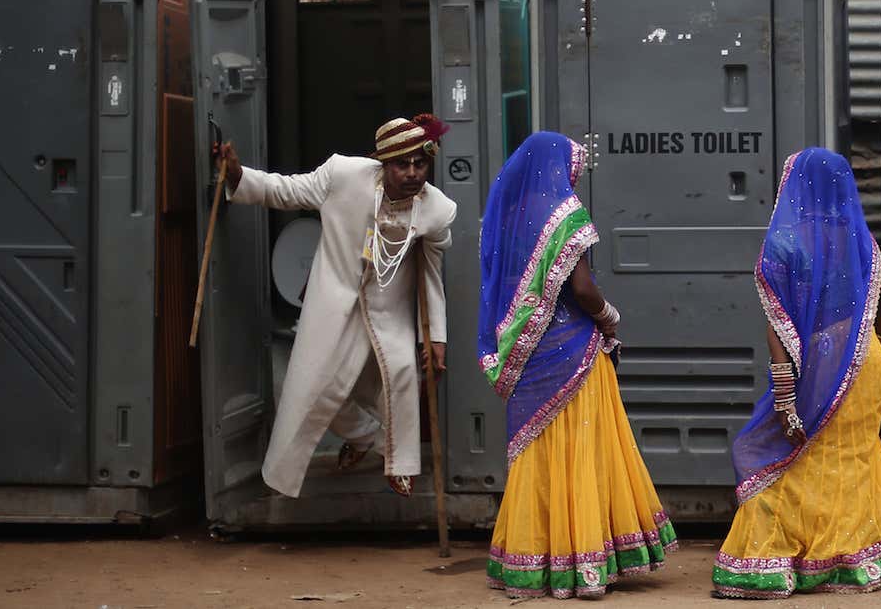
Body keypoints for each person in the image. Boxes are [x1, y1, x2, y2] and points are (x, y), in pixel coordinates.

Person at [478, 132, 676, 599]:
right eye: (573, 167)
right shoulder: (567, 216)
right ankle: (585, 559)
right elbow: (582, 289)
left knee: (537, 452)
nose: (574, 177)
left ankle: (532, 561)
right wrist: (610, 319)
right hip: (572, 352)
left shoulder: (506, 218)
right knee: (582, 449)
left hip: (528, 356)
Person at [217, 114, 457, 499]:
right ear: (383, 163)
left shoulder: (436, 209)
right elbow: (285, 191)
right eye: (402, 164)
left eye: (420, 164)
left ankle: (400, 466)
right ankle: (365, 437)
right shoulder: (342, 176)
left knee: (401, 376)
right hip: (334, 306)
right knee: (316, 386)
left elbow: (431, 276)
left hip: (389, 313)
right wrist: (236, 175)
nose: (412, 173)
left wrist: (436, 337)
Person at [712, 148, 881, 599]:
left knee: (778, 453)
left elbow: (777, 323)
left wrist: (784, 396)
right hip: (867, 364)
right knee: (850, 458)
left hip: (819, 367)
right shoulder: (857, 238)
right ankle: (850, 561)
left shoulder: (786, 241)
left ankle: (772, 561)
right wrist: (879, 347)